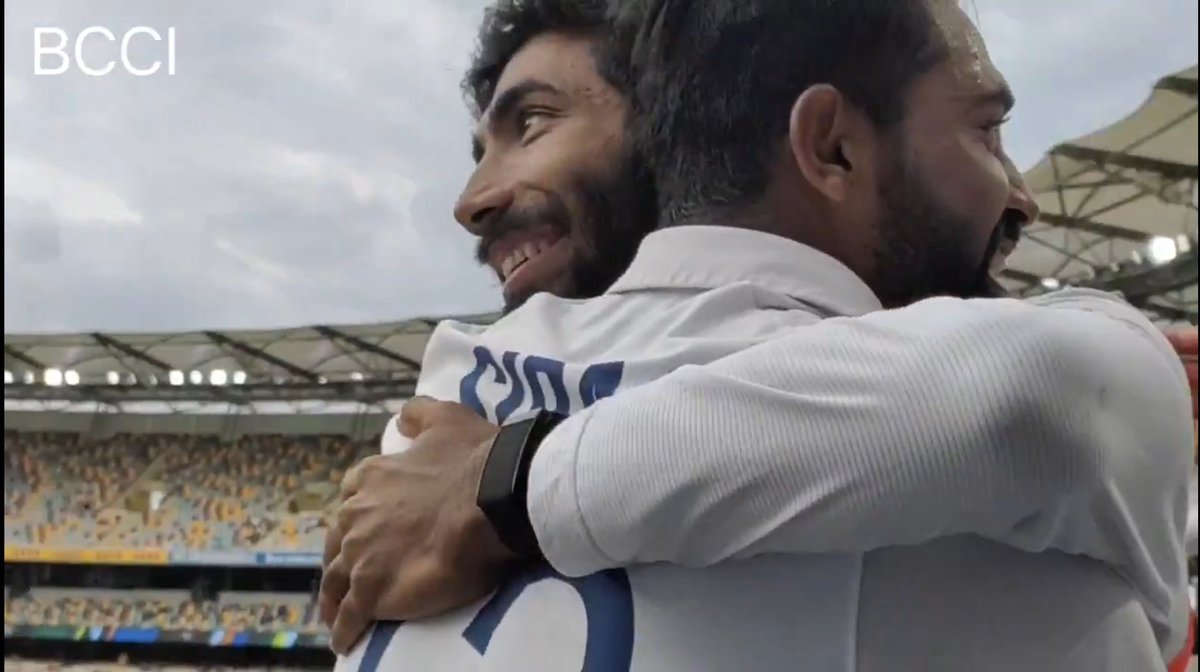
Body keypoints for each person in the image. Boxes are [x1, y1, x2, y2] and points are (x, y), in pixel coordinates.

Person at [323, 1, 1196, 670]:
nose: (1021, 193)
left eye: (535, 122)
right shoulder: (1016, 495)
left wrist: (505, 479)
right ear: (829, 147)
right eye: (985, 128)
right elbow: (1028, 396)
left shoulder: (434, 422)